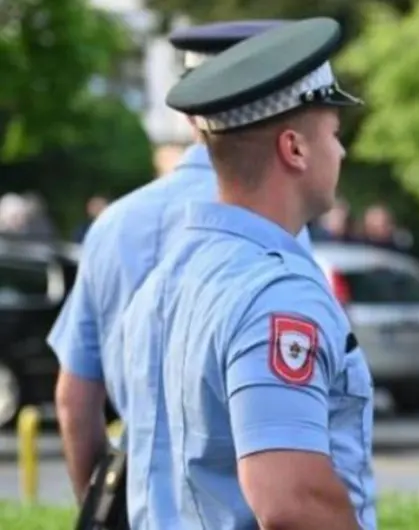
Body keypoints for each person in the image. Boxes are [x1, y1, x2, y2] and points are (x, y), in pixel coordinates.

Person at [48, 20, 316, 506]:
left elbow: (74, 397)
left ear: (191, 112)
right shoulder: (278, 219)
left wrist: (104, 508)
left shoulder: (112, 225)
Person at [118, 17, 373, 529]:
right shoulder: (277, 294)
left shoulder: (167, 278)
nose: (341, 151)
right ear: (294, 148)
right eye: (333, 133)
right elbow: (292, 500)